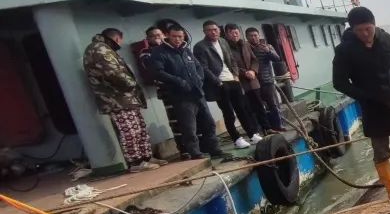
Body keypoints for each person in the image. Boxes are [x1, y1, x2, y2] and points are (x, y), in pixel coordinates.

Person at [332, 7, 390, 202]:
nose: (365, 34)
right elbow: (339, 82)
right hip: (372, 108)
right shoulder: (344, 50)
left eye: (368, 29)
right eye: (359, 30)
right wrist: (364, 96)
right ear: (352, 29)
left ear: (374, 24)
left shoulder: (387, 39)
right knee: (381, 150)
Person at [82, 28, 159, 173]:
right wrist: (132, 84)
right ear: (117, 38)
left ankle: (146, 158)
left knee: (140, 129)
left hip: (126, 98)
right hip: (116, 99)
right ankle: (136, 163)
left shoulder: (105, 48)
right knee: (130, 131)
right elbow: (113, 73)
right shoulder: (100, 49)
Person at [149, 25, 222, 160]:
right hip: (180, 96)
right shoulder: (159, 52)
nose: (177, 39)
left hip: (197, 93)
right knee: (189, 127)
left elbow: (198, 67)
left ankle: (214, 149)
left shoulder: (186, 50)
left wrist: (199, 80)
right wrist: (179, 82)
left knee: (209, 123)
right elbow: (158, 72)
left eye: (180, 36)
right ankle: (195, 153)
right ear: (167, 36)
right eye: (174, 36)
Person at [193, 20, 262, 149]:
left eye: (215, 29)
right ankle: (236, 138)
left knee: (242, 109)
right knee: (228, 112)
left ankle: (252, 134)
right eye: (209, 30)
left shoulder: (223, 42)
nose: (213, 32)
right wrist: (217, 81)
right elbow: (203, 67)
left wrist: (235, 75)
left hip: (232, 79)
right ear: (204, 32)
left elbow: (231, 59)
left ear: (219, 30)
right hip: (218, 83)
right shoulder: (200, 47)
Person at [245, 27, 285, 133]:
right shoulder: (245, 48)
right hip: (253, 83)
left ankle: (278, 125)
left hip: (267, 81)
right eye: (251, 36)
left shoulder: (267, 46)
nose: (253, 38)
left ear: (259, 36)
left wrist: (269, 52)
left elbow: (277, 59)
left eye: (255, 35)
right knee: (257, 107)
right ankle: (263, 129)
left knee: (273, 105)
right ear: (247, 37)